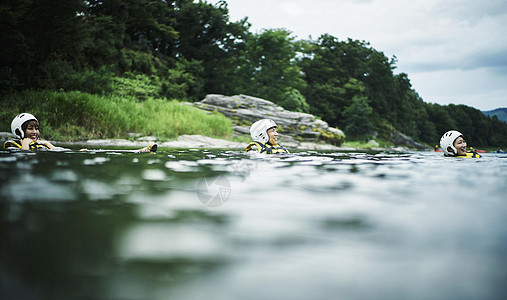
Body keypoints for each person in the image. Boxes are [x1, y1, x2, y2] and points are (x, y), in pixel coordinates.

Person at [4, 113, 156, 153]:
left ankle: (140, 150)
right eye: (30, 128)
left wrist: (46, 143)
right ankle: (140, 151)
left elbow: (56, 150)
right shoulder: (12, 145)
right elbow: (23, 155)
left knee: (89, 150)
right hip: (62, 154)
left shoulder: (40, 143)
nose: (35, 132)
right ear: (19, 131)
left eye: (36, 128)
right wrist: (25, 143)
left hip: (64, 152)